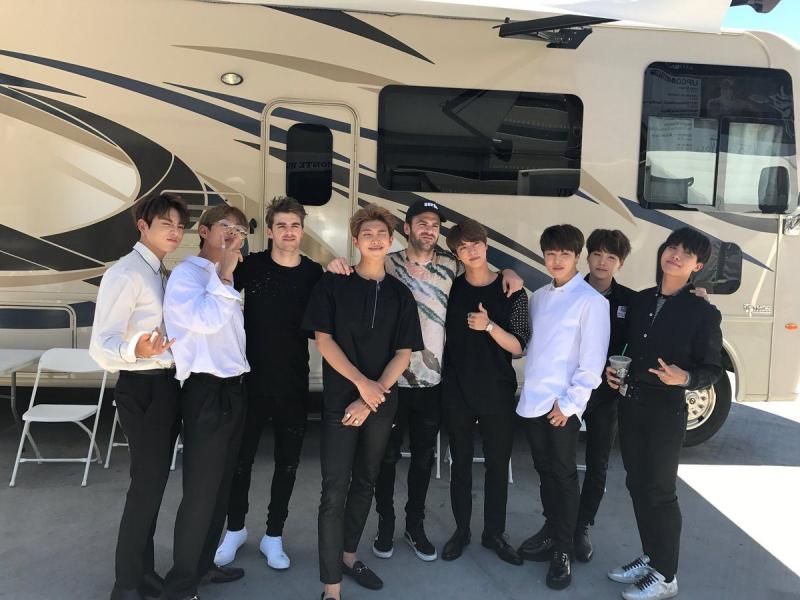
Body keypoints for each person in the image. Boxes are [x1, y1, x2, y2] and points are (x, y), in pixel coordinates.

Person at [325, 199, 523, 562]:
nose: (429, 229)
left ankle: (414, 527)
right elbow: (357, 272)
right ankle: (385, 526)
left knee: (422, 460)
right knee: (384, 460)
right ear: (406, 229)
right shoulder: (387, 262)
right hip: (388, 381)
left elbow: (481, 268)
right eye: (421, 223)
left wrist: (509, 271)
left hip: (432, 382)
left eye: (434, 224)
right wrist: (335, 264)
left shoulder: (451, 265)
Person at [303, 204, 424, 600]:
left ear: (391, 242)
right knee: (334, 489)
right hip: (341, 402)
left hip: (380, 403)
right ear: (355, 241)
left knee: (366, 481)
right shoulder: (333, 285)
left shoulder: (401, 294)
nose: (375, 239)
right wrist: (361, 386)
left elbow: (403, 353)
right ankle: (331, 586)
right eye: (367, 234)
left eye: (381, 234)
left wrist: (372, 396)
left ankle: (349, 556)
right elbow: (324, 341)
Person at [606, 227, 723, 600]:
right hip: (631, 403)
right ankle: (651, 557)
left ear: (697, 266)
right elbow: (626, 345)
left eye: (686, 253)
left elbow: (713, 369)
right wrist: (614, 371)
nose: (676, 255)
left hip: (665, 410)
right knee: (637, 484)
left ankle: (666, 576)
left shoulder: (703, 312)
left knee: (660, 491)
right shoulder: (641, 301)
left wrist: (684, 377)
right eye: (672, 247)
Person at [214, 196, 323, 570]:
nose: (288, 232)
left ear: (302, 230)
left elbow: (328, 319)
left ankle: (273, 535)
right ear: (271, 231)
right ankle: (235, 529)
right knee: (239, 461)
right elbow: (219, 291)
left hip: (293, 382)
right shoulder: (253, 265)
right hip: (249, 380)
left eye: (294, 226)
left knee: (287, 463)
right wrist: (227, 253)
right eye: (281, 226)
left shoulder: (314, 274)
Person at [90, 192, 189, 600]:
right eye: (166, 224)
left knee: (154, 484)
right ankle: (126, 584)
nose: (175, 232)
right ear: (142, 226)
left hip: (164, 386)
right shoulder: (127, 273)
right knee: (145, 487)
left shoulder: (160, 272)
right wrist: (137, 350)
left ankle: (143, 572)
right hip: (141, 386)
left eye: (180, 226)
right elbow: (101, 345)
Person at [161, 204, 251, 600]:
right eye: (225, 226)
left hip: (234, 388)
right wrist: (226, 275)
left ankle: (203, 567)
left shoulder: (220, 277)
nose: (232, 234)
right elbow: (206, 321)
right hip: (205, 392)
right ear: (203, 230)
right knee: (200, 493)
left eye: (240, 230)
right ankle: (180, 586)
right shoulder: (188, 275)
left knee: (221, 488)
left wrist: (226, 276)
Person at [516, 224, 610, 591]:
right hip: (533, 401)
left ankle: (564, 549)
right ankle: (552, 529)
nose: (557, 260)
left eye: (565, 254)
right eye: (551, 254)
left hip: (561, 406)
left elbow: (592, 363)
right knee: (544, 472)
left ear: (577, 257)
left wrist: (570, 404)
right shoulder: (538, 297)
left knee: (563, 474)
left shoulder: (591, 301)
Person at [439, 218, 530, 567]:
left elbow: (519, 346)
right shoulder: (451, 288)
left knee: (496, 465)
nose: (471, 251)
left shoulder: (512, 291)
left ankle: (494, 533)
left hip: (497, 389)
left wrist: (489, 326)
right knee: (459, 465)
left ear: (486, 244)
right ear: (457, 255)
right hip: (457, 389)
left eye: (475, 243)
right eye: (463, 247)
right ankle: (461, 531)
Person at [573, 229, 635, 563]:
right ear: (587, 257)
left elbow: (640, 344)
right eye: (597, 254)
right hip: (570, 391)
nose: (602, 262)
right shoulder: (570, 291)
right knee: (558, 462)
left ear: (620, 263)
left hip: (606, 395)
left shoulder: (630, 301)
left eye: (611, 257)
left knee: (597, 463)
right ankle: (556, 522)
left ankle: (582, 525)